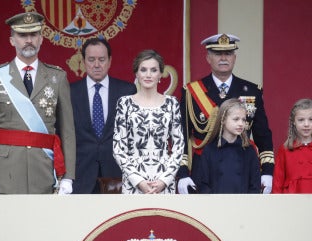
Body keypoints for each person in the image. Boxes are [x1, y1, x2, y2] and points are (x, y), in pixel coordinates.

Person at [0, 12, 76, 194]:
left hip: (44, 171)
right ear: (12, 40)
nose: (29, 40)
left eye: (34, 34)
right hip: (5, 172)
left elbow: (67, 131)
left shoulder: (57, 77)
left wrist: (68, 177)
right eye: (22, 35)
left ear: (41, 39)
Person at [178, 33, 274, 194]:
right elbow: (182, 135)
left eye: (228, 53)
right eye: (217, 53)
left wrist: (267, 171)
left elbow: (262, 134)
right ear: (208, 58)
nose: (223, 58)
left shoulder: (251, 90)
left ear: (234, 57)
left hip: (241, 168)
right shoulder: (192, 92)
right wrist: (182, 173)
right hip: (204, 171)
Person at [113, 49, 184, 194]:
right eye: (143, 70)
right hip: (133, 183)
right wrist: (138, 181)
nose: (148, 74)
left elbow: (179, 147)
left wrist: (165, 180)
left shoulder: (172, 103)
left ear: (160, 74)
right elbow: (118, 148)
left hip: (164, 182)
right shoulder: (124, 103)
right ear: (136, 74)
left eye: (153, 70)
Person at [70, 38, 137, 193]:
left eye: (102, 59)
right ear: (84, 61)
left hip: (118, 175)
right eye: (91, 60)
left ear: (110, 61)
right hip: (80, 175)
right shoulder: (70, 92)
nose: (97, 65)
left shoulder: (127, 91)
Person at [196, 98, 260, 193]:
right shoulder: (210, 150)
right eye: (236, 119)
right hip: (215, 206)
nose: (241, 124)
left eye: (243, 120)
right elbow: (203, 184)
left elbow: (255, 185)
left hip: (243, 206)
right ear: (223, 120)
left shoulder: (249, 151)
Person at [272, 99, 312, 193]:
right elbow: (278, 182)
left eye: (311, 119)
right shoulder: (285, 149)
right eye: (301, 120)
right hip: (291, 202)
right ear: (293, 122)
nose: (306, 124)